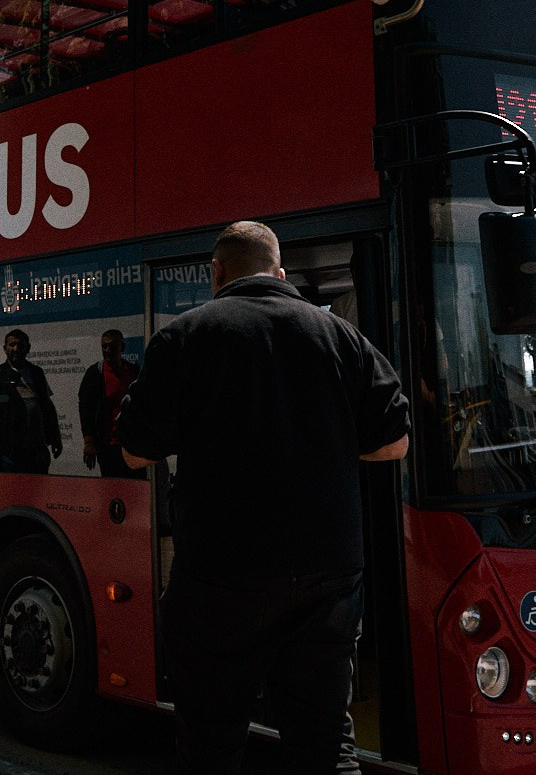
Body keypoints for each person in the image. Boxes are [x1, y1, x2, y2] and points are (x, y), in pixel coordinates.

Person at [117, 222, 409, 775]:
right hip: (328, 576)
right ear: (280, 274)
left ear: (216, 275)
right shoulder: (340, 337)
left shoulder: (184, 338)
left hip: (220, 580)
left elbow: (134, 451)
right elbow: (395, 441)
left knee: (210, 744)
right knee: (325, 744)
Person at [0, 329, 60, 474]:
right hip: (9, 449)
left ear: (27, 348)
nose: (15, 349)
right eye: (12, 345)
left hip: (37, 447)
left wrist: (56, 437)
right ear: (5, 348)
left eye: (20, 345)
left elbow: (47, 405)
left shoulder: (37, 373)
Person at [78, 329, 143, 478]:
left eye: (111, 346)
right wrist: (89, 441)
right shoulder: (95, 374)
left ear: (122, 348)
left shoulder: (133, 371)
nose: (107, 350)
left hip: (132, 445)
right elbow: (85, 407)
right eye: (104, 346)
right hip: (108, 446)